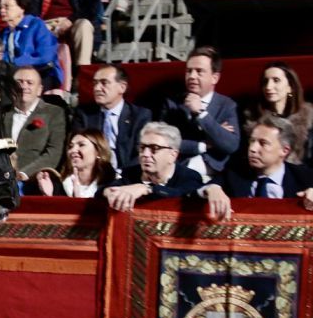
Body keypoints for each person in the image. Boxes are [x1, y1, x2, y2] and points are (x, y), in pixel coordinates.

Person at [203, 116, 313, 221]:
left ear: (284, 150)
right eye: (252, 141)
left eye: (263, 143)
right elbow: (200, 189)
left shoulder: (304, 177)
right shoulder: (235, 173)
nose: (252, 149)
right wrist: (212, 189)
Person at [160, 46, 240, 182]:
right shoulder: (172, 104)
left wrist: (201, 114)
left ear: (214, 77)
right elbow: (164, 143)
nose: (192, 76)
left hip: (214, 176)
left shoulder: (227, 105)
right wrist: (205, 145)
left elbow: (230, 145)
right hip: (176, 172)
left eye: (199, 71)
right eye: (189, 71)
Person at [103, 122, 202, 212]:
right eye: (142, 148)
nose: (145, 154)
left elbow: (184, 195)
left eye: (155, 148)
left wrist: (147, 189)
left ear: (173, 155)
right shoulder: (130, 173)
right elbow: (104, 190)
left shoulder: (189, 176)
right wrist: (109, 192)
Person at [72, 62, 150, 174]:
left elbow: (141, 154)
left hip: (127, 176)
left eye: (104, 83)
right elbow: (77, 150)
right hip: (93, 175)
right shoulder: (84, 114)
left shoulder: (140, 116)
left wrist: (121, 176)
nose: (97, 88)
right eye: (95, 83)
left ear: (122, 87)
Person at [243, 61, 313, 164]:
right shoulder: (253, 119)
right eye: (265, 82)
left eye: (276, 80)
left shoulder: (308, 119)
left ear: (290, 87)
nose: (268, 87)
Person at [4, 66, 66, 181]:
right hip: (1, 180)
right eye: (19, 82)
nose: (24, 86)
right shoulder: (2, 113)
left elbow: (54, 152)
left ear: (39, 90)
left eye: (30, 83)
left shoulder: (54, 113)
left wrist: (25, 173)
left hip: (33, 180)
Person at [0, 0, 62, 90]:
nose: (2, 10)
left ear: (21, 8)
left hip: (43, 74)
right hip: (16, 74)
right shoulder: (5, 32)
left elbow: (46, 56)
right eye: (1, 7)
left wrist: (17, 63)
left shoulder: (37, 25)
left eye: (7, 6)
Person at [34, 129, 116, 197]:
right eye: (70, 146)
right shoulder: (55, 184)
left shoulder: (111, 184)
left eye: (81, 145)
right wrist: (48, 196)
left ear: (98, 152)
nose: (73, 150)